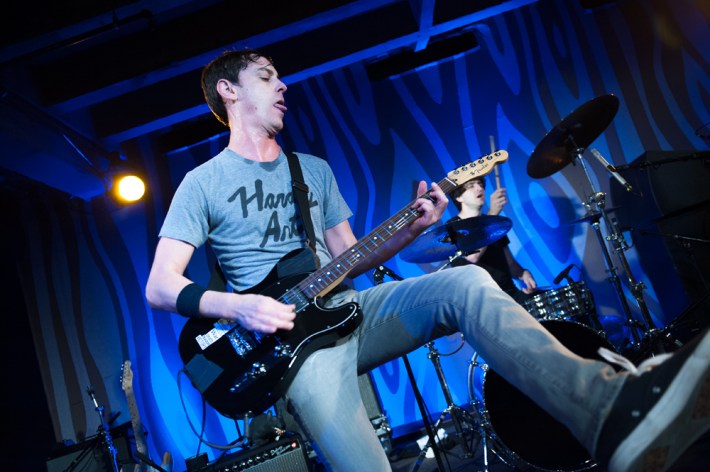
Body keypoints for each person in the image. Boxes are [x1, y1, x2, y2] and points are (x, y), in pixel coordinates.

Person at [145, 49, 710, 472]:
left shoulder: (310, 170)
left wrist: (415, 226)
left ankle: (608, 410)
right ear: (229, 90)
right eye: (267, 76)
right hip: (290, 353)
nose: (283, 84)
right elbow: (160, 286)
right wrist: (239, 307)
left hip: (351, 311)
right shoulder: (203, 183)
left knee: (465, 283)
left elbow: (347, 259)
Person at [448, 177, 537, 305]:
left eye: (480, 184)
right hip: (484, 302)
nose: (479, 188)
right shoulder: (453, 226)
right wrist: (493, 214)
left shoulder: (494, 222)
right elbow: (472, 256)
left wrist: (523, 273)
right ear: (458, 197)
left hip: (510, 295)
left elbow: (510, 264)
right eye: (471, 185)